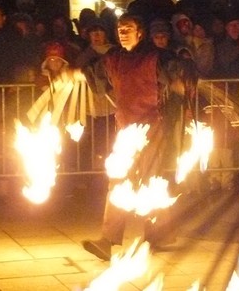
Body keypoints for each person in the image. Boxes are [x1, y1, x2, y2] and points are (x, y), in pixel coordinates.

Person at [80, 13, 194, 261]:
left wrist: (177, 82)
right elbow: (94, 76)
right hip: (125, 128)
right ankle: (109, 240)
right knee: (119, 178)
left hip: (153, 127)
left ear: (140, 32)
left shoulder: (156, 56)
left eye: (128, 28)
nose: (122, 32)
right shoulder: (113, 58)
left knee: (149, 180)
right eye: (120, 28)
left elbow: (177, 71)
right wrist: (71, 76)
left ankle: (158, 233)